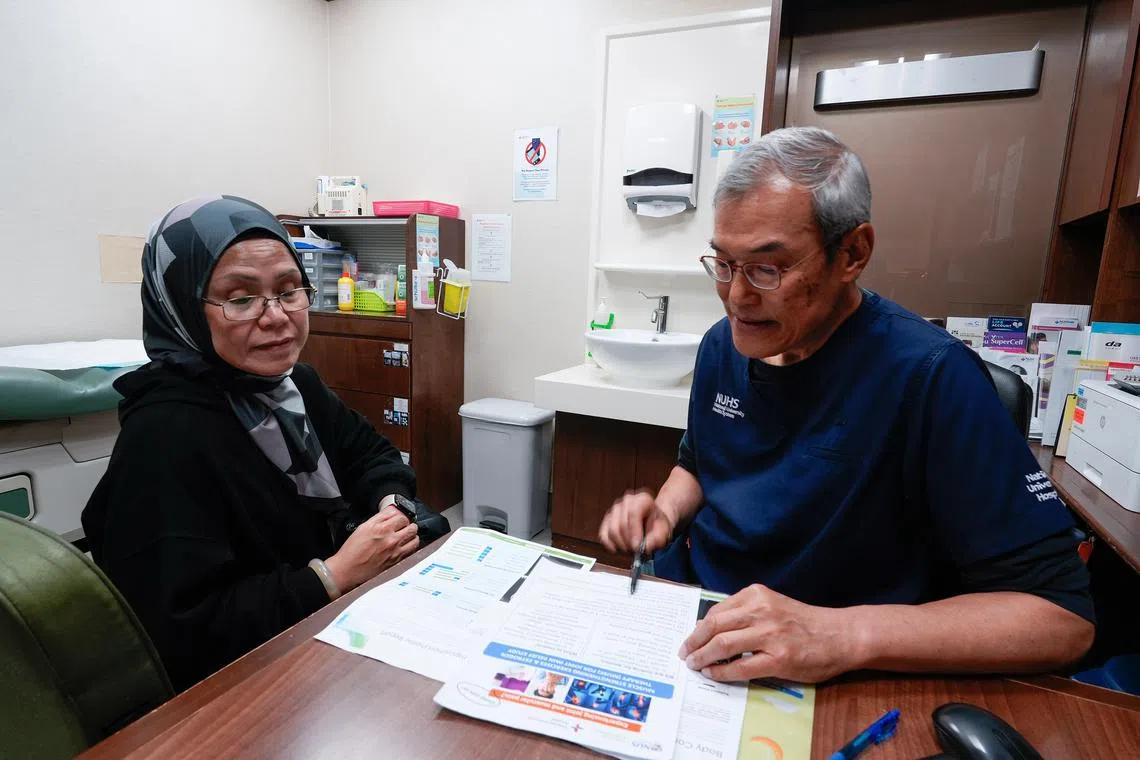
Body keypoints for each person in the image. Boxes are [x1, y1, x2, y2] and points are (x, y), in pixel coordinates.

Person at [598, 127, 1094, 685]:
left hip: (830, 671)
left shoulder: (932, 378)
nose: (737, 297)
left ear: (853, 253)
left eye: (767, 268)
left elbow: (1061, 620)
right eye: (724, 263)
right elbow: (699, 460)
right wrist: (666, 512)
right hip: (698, 624)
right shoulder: (723, 344)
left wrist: (840, 635)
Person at [82, 196, 447, 691]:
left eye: (289, 290)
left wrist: (391, 507)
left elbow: (372, 454)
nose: (276, 316)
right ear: (183, 307)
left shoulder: (297, 386)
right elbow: (183, 631)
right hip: (242, 684)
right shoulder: (165, 436)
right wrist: (333, 574)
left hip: (324, 635)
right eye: (240, 298)